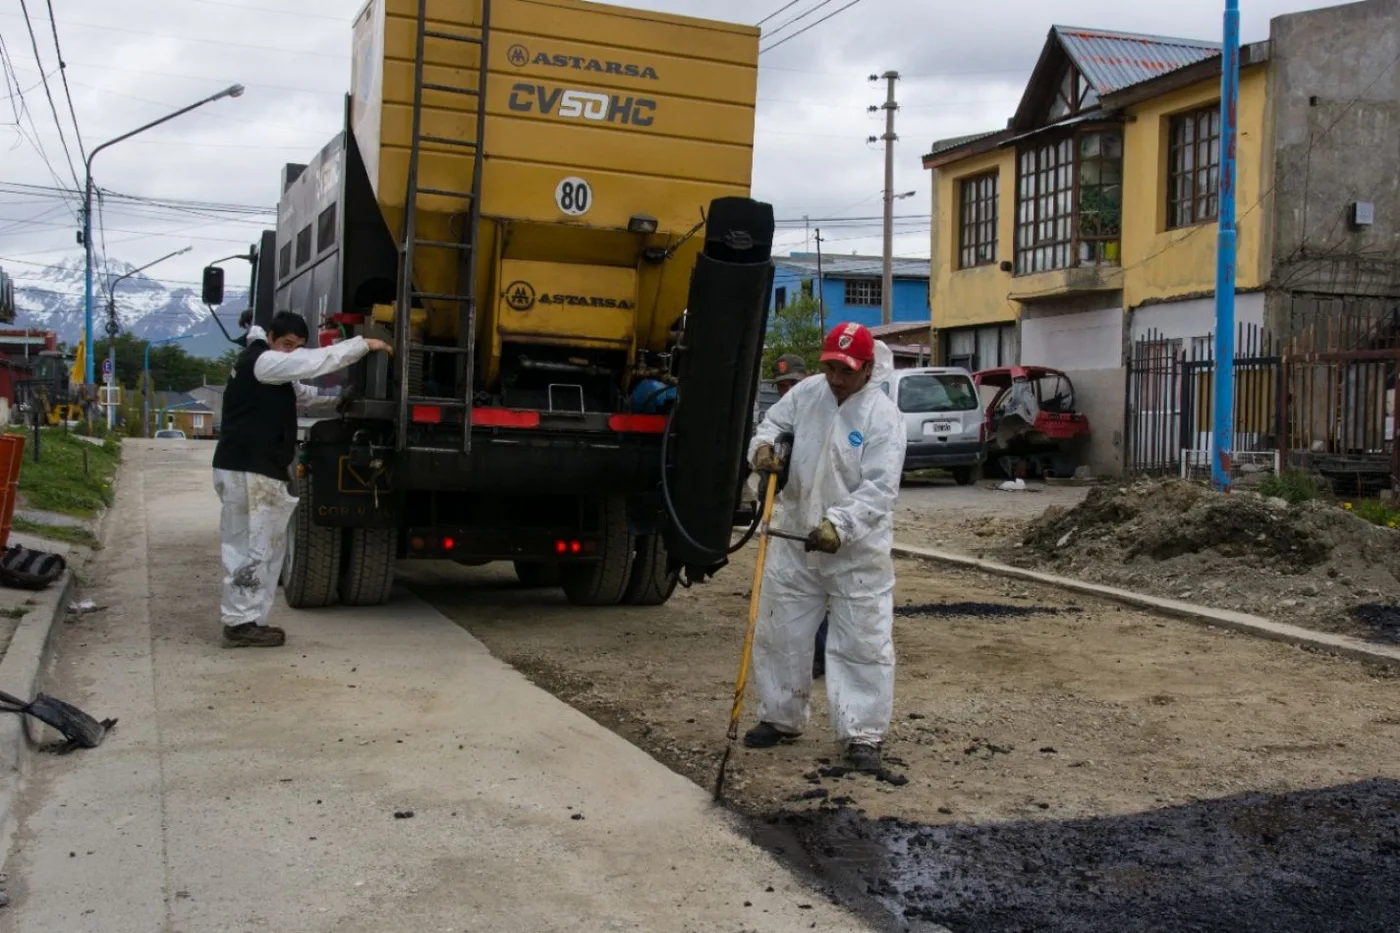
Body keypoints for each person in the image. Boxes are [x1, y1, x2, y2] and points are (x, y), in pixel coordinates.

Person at [745, 322, 906, 773]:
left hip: (855, 550)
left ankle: (861, 735)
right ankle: (780, 716)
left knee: (862, 640)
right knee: (780, 631)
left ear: (867, 367)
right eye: (831, 367)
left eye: (846, 370)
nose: (836, 377)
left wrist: (840, 523)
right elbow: (771, 424)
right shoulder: (808, 393)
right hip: (794, 535)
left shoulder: (882, 417)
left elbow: (879, 489)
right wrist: (763, 451)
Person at [213, 311, 391, 648]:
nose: (290, 353)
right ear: (271, 338)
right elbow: (313, 363)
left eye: (297, 347)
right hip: (251, 471)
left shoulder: (265, 367)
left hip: (246, 468)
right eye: (286, 345)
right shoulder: (265, 362)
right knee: (253, 549)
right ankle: (240, 623)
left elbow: (303, 396)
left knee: (254, 547)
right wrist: (363, 345)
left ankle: (246, 620)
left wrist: (338, 401)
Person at [770, 353, 830, 681]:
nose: (786, 391)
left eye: (791, 384)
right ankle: (812, 655)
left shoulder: (823, 411)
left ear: (806, 378)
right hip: (794, 513)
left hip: (827, 513)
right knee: (799, 590)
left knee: (820, 590)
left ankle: (825, 655)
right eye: (781, 386)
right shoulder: (782, 418)